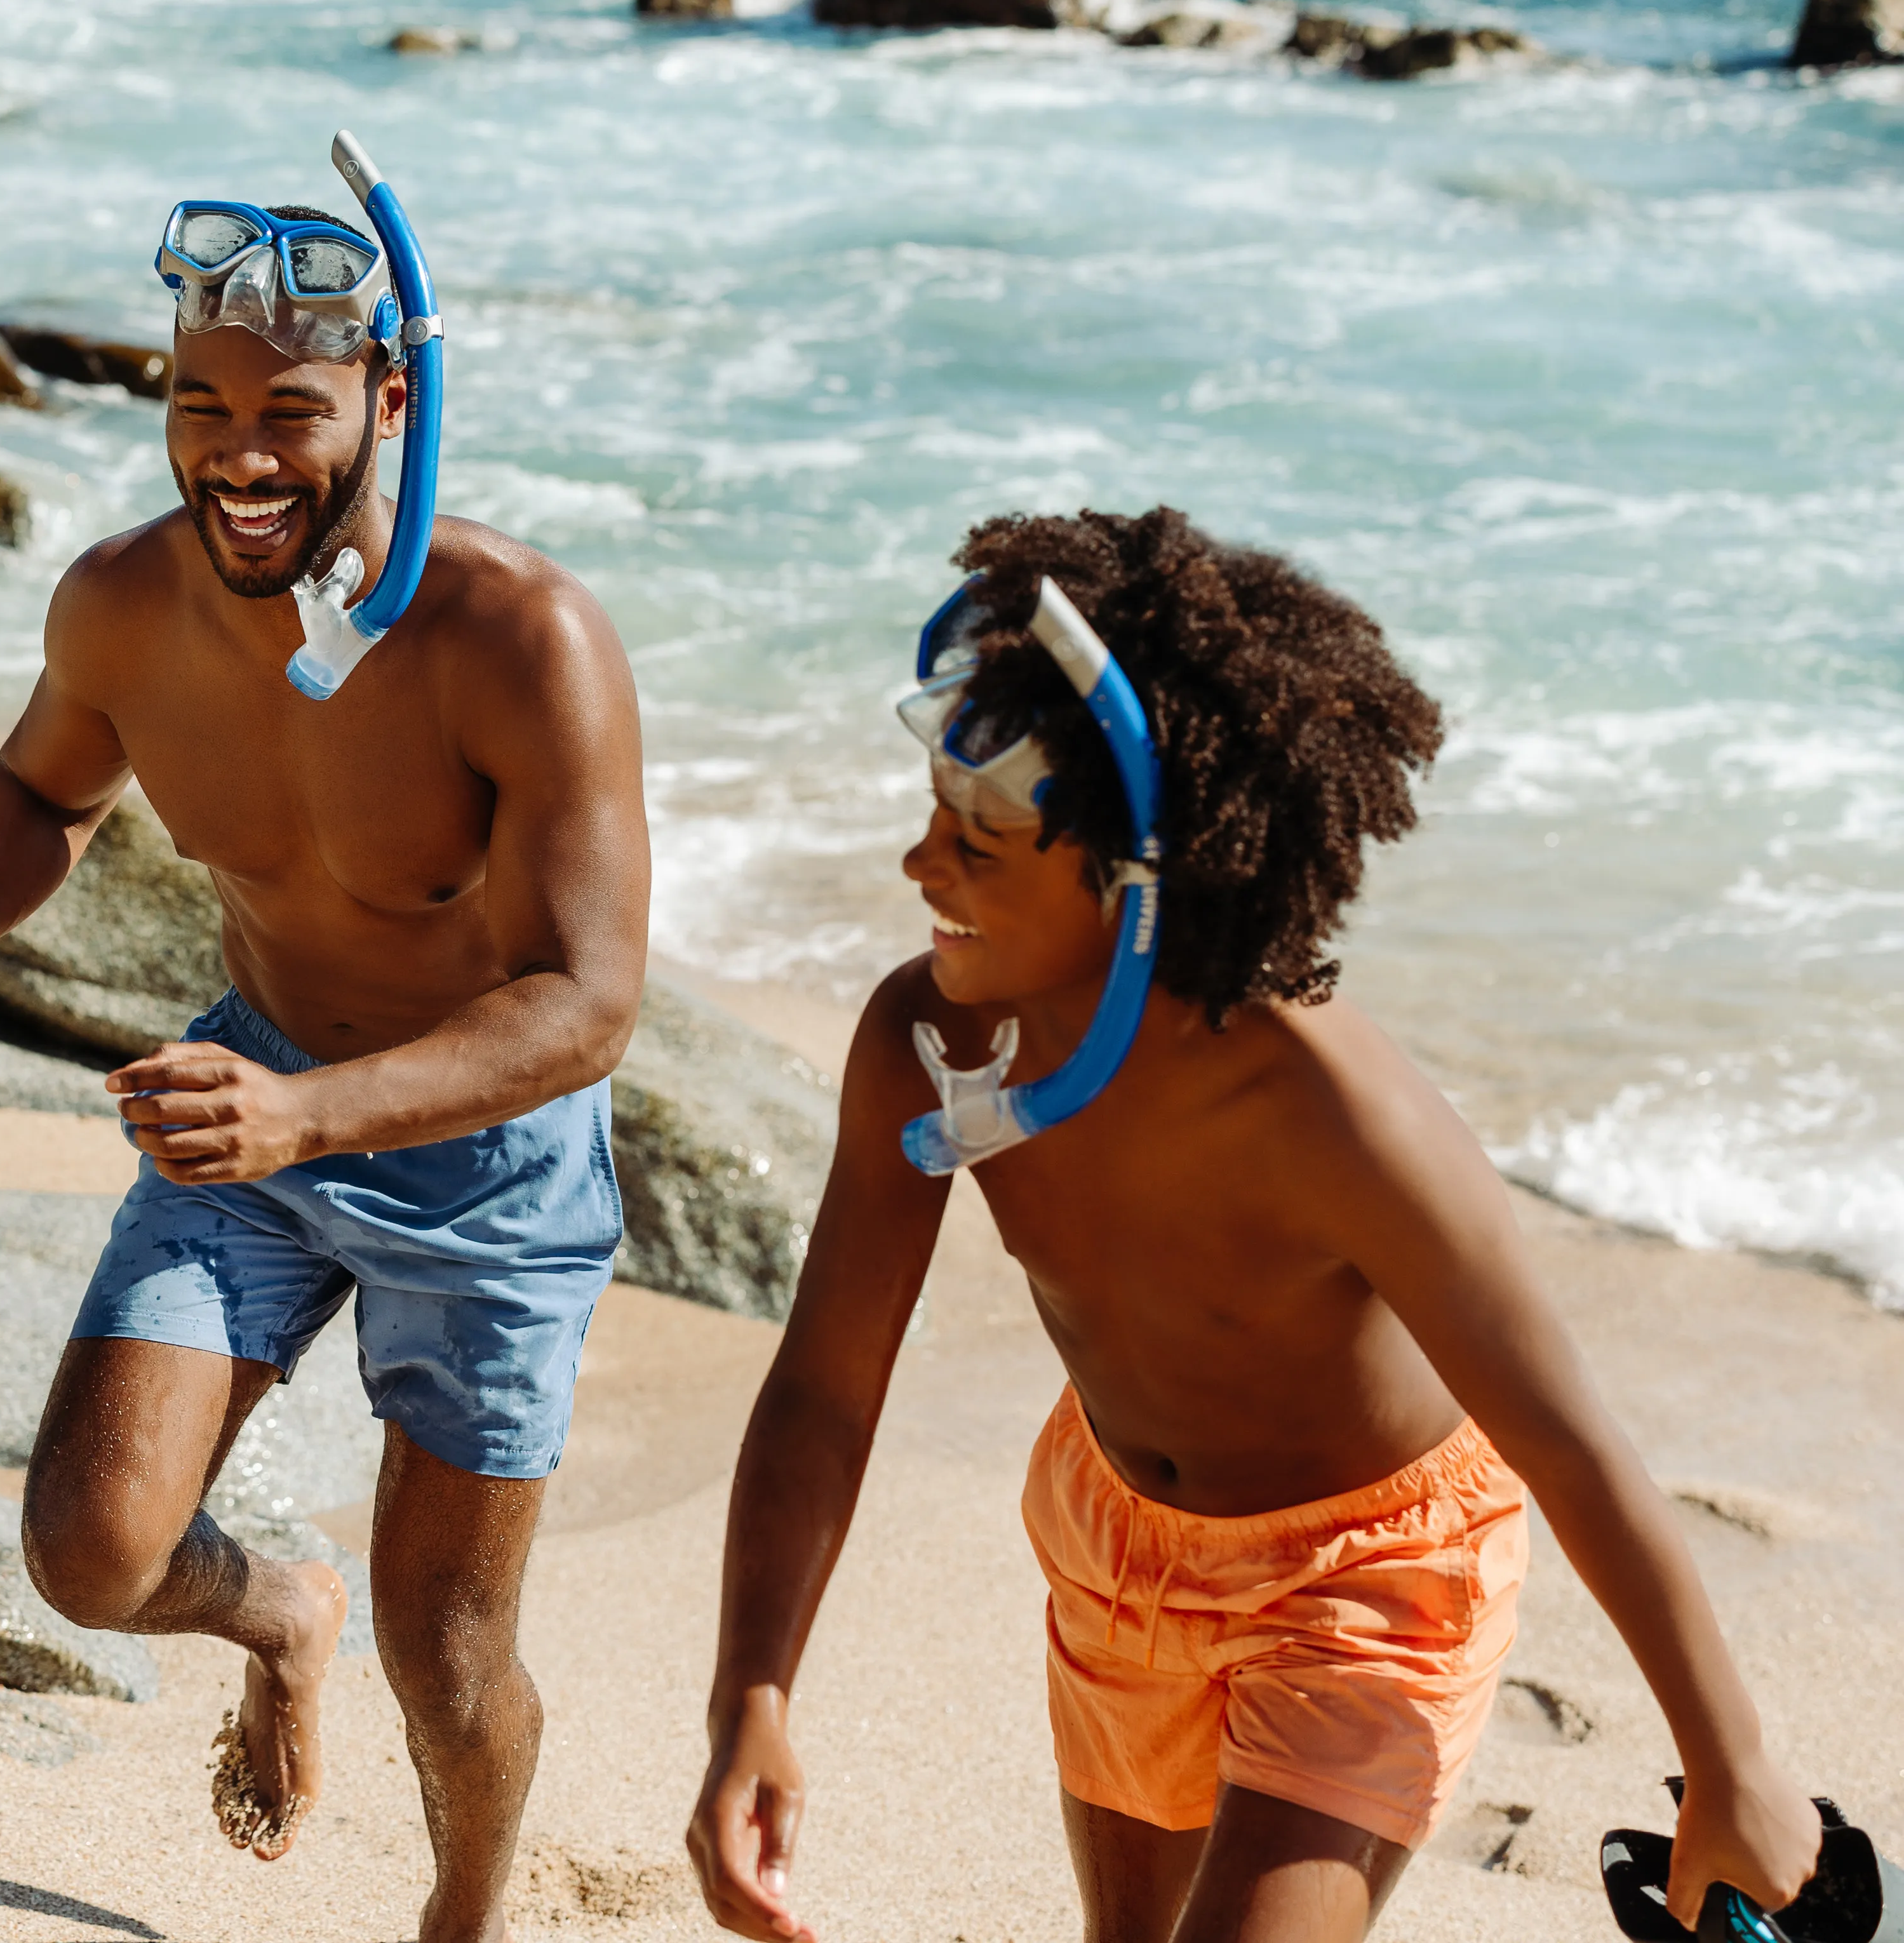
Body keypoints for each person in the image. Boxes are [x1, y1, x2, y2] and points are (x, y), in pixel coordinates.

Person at [685, 507, 1823, 1943]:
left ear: (1143, 885)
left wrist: (1736, 1768)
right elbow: (827, 1386)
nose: (921, 869)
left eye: (980, 840)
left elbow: (1570, 1435)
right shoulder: (933, 1039)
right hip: (1119, 1551)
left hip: (1368, 1578)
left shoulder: (1332, 1112)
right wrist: (752, 1703)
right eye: (929, 815)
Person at [0, 168, 651, 1943]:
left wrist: (309, 1119)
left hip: (483, 1163)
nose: (237, 458)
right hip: (251, 1098)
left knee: (452, 1646)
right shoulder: (127, 605)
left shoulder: (522, 638)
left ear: (391, 403)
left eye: (288, 414)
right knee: (92, 1553)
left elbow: (587, 1006)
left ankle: (465, 1917)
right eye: (199, 408)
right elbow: (42, 794)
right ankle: (276, 1612)